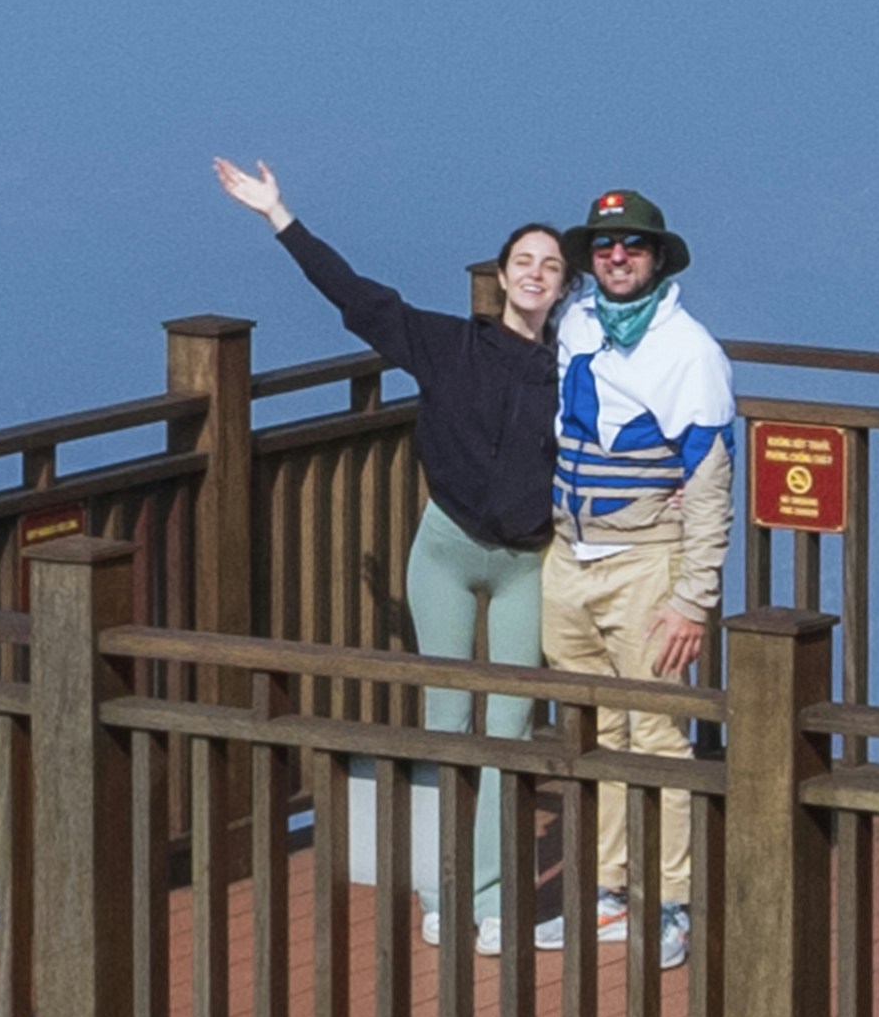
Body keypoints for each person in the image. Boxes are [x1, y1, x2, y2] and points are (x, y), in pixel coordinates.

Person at [218, 164, 576, 942]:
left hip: (525, 564)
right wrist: (280, 213)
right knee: (446, 724)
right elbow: (356, 298)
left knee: (507, 733)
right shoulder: (449, 344)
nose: (536, 275)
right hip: (444, 551)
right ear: (503, 277)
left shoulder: (575, 374)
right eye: (526, 262)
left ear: (562, 287)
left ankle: (489, 906)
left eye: (551, 267)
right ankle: (448, 897)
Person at [542, 188, 737, 952]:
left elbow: (712, 476)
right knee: (592, 727)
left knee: (656, 731)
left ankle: (675, 901)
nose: (616, 257)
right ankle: (611, 889)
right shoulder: (576, 318)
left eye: (632, 246)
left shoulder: (690, 350)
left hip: (648, 563)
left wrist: (694, 598)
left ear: (658, 259)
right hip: (569, 555)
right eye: (603, 246)